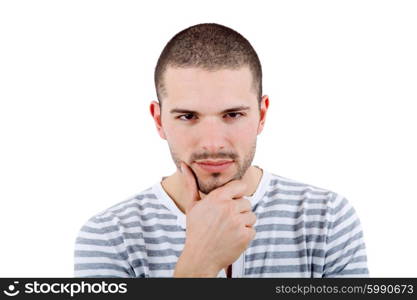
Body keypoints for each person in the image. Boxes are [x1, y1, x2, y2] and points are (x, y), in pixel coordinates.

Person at [73, 23, 369, 278]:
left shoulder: (326, 219)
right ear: (158, 120)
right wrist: (197, 266)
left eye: (233, 115)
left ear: (261, 115)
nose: (212, 143)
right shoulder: (108, 236)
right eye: (188, 116)